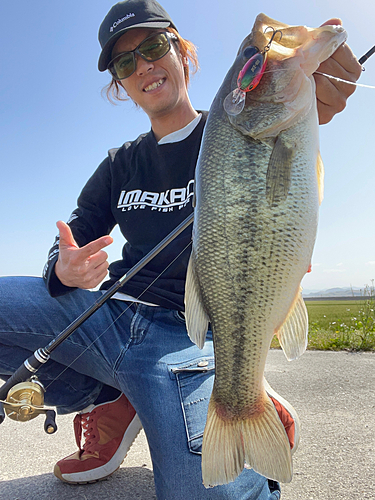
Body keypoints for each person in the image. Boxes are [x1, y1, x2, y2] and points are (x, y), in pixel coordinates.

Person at [0, 1, 362, 499]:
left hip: (191, 336)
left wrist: (316, 97)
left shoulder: (233, 130)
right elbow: (71, 239)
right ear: (120, 85)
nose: (143, 65)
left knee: (205, 490)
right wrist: (63, 268)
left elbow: (295, 146)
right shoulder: (118, 165)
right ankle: (116, 399)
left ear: (183, 52)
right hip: (109, 317)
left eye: (153, 47)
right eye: (126, 63)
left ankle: (239, 391)